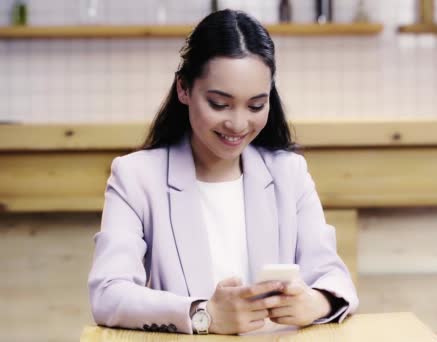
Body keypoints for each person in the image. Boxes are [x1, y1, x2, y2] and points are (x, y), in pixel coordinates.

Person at [87, 9, 358, 335]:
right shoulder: (135, 177)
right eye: (219, 103)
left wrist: (316, 301)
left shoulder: (289, 173)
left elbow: (332, 276)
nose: (239, 124)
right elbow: (108, 294)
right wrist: (204, 314)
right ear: (184, 89)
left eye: (256, 105)